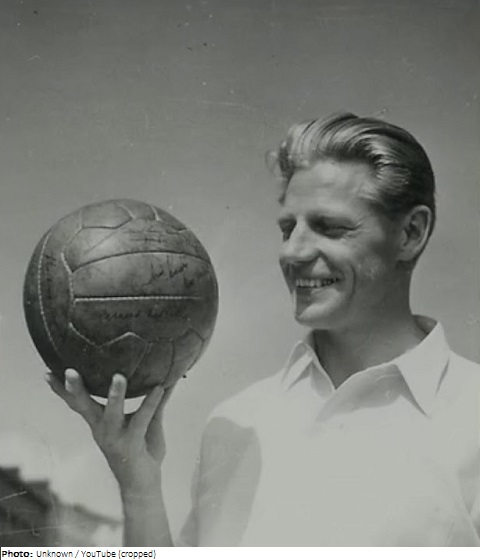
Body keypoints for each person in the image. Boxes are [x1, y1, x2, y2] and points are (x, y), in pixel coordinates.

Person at [46, 112, 480, 546]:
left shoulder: (470, 416)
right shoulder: (236, 423)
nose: (293, 252)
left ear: (411, 233)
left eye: (330, 227)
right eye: (288, 228)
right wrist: (138, 488)